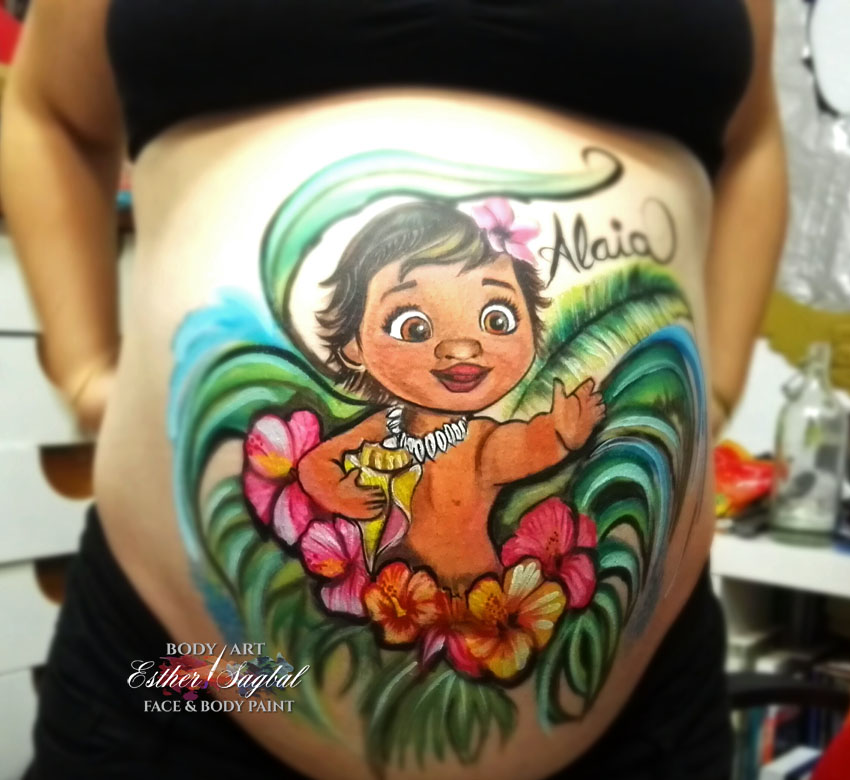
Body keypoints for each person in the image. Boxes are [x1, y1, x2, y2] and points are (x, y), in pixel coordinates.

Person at [1, 1, 787, 778]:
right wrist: (83, 368)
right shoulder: (390, 434)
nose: (461, 348)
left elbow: (751, 142)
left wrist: (709, 392)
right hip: (181, 691)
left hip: (637, 719)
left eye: (496, 317)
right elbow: (49, 114)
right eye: (411, 324)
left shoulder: (476, 440)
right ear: (353, 344)